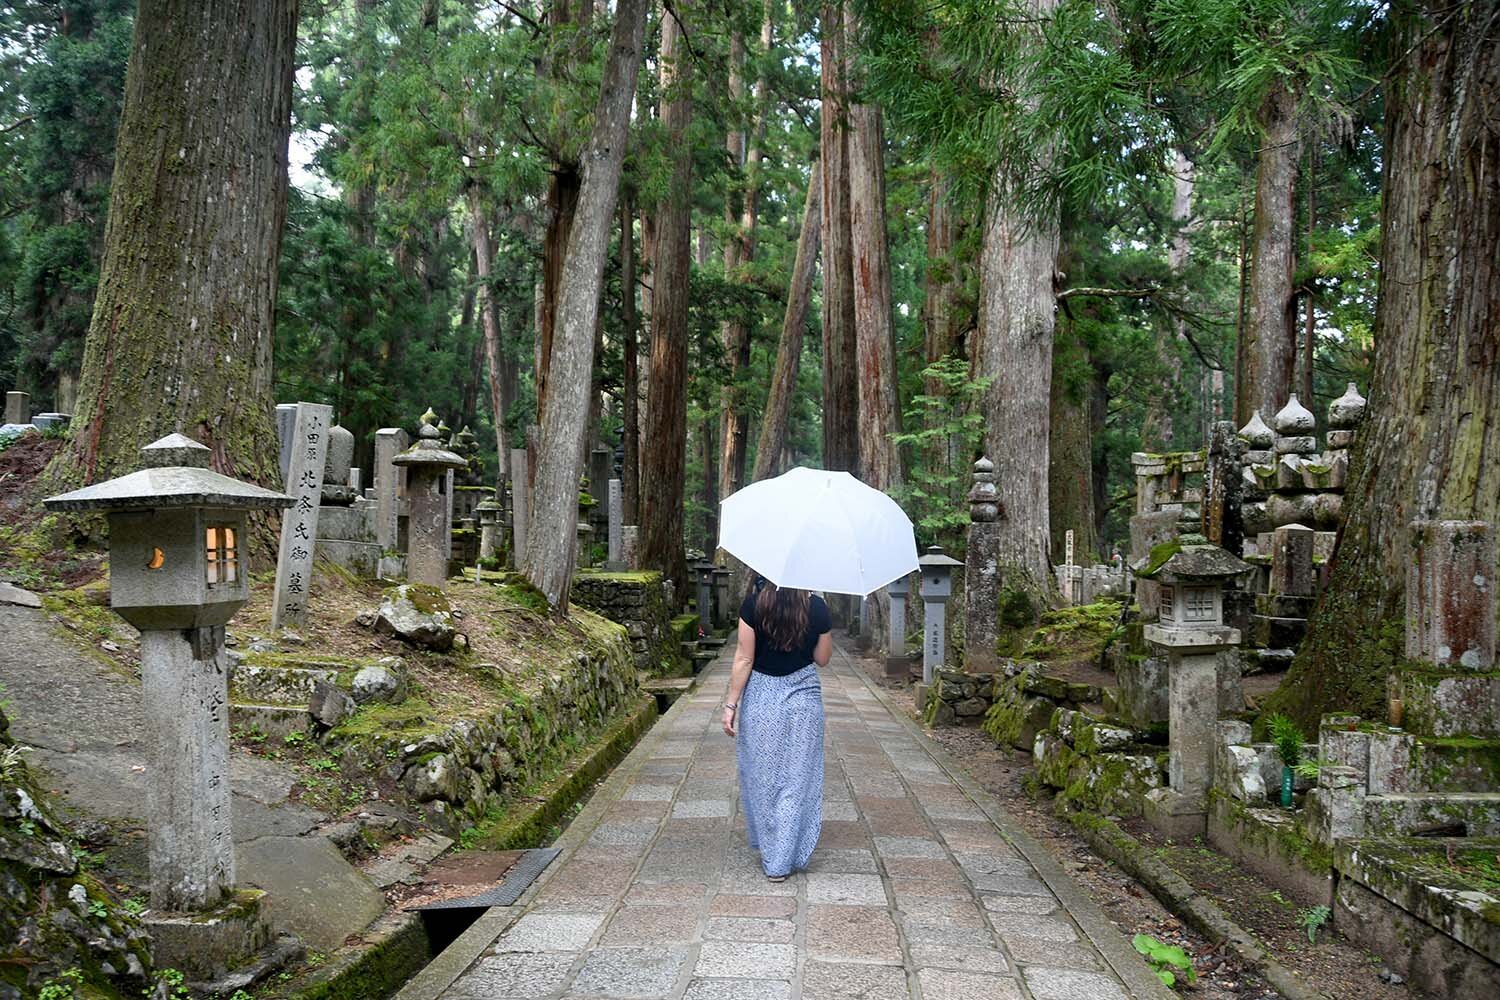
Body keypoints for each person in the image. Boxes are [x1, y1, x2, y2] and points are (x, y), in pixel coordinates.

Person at [721, 575, 833, 881]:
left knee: (764, 778)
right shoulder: (819, 608)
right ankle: (785, 858)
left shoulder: (753, 606)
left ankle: (774, 855)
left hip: (762, 699)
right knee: (798, 779)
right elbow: (822, 659)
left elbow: (745, 658)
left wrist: (731, 704)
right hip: (804, 700)